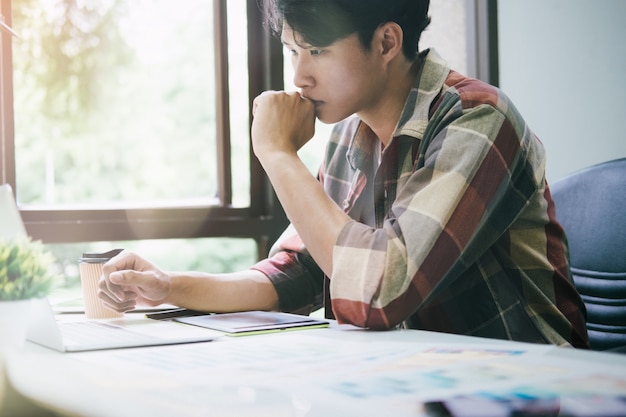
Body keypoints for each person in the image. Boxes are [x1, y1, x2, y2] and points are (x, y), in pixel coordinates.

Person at [99, 0, 589, 348]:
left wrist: (278, 154)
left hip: (533, 390)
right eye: (294, 51)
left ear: (386, 41)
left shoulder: (477, 121)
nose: (298, 77)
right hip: (416, 380)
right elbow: (301, 271)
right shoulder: (347, 132)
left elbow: (381, 289)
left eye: (317, 50)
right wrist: (169, 287)